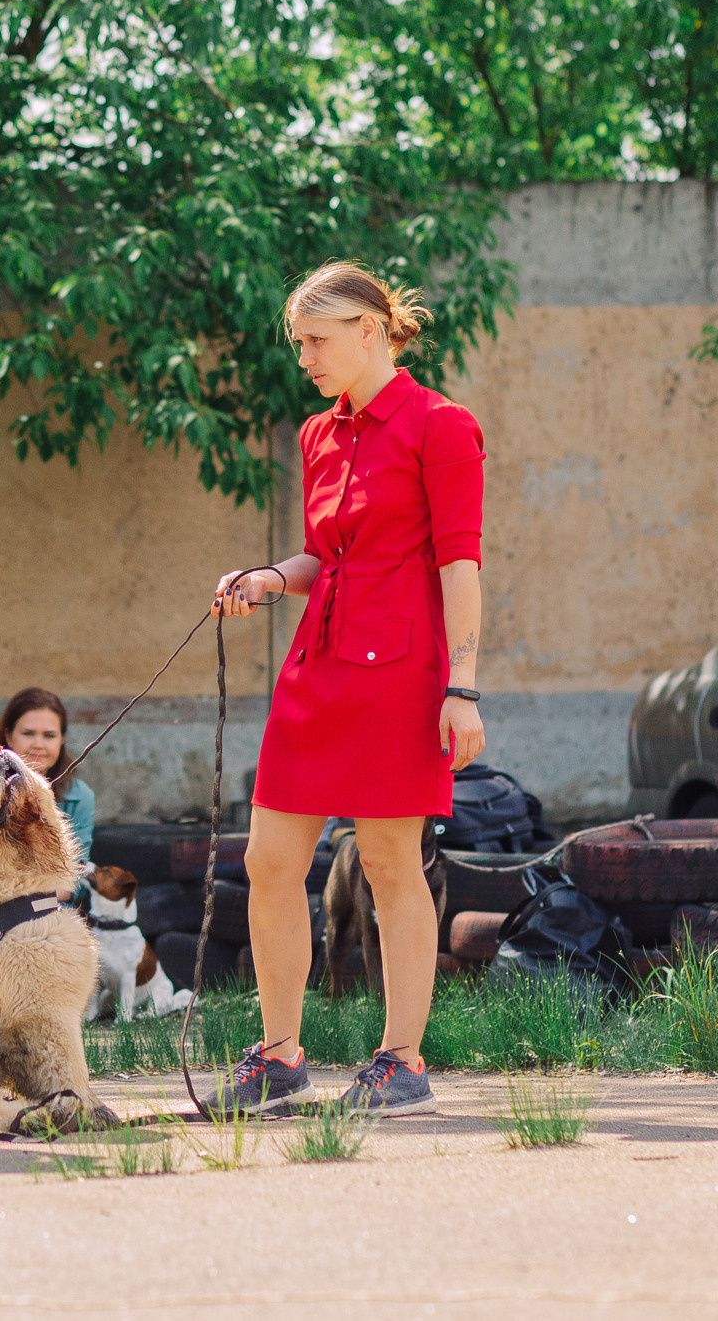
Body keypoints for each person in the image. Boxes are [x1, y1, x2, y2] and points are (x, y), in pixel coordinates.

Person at [209, 261, 486, 1117]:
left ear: (371, 328)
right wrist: (267, 577)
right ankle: (281, 1056)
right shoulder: (317, 433)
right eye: (299, 345)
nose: (307, 359)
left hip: (401, 677)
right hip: (316, 672)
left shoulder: (442, 426)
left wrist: (462, 686)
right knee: (268, 859)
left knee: (389, 862)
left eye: (318, 341)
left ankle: (401, 1059)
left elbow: (460, 562)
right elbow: (325, 556)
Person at [0, 687, 95, 867]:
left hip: (51, 895)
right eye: (28, 733)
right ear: (9, 736)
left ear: (62, 739)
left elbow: (74, 876)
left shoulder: (79, 797)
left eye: (49, 735)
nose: (38, 745)